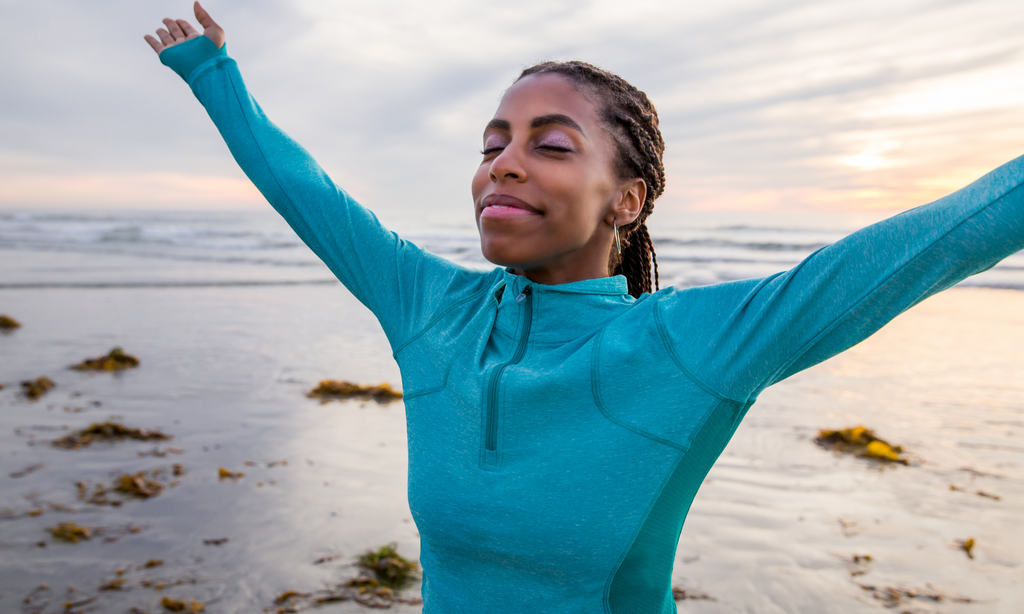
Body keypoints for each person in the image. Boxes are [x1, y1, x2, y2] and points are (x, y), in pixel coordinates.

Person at [145, 4, 1024, 612]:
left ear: (628, 199)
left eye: (551, 145)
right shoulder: (430, 310)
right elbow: (308, 192)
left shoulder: (690, 346)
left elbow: (928, 244)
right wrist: (214, 73)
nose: (504, 164)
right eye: (493, 145)